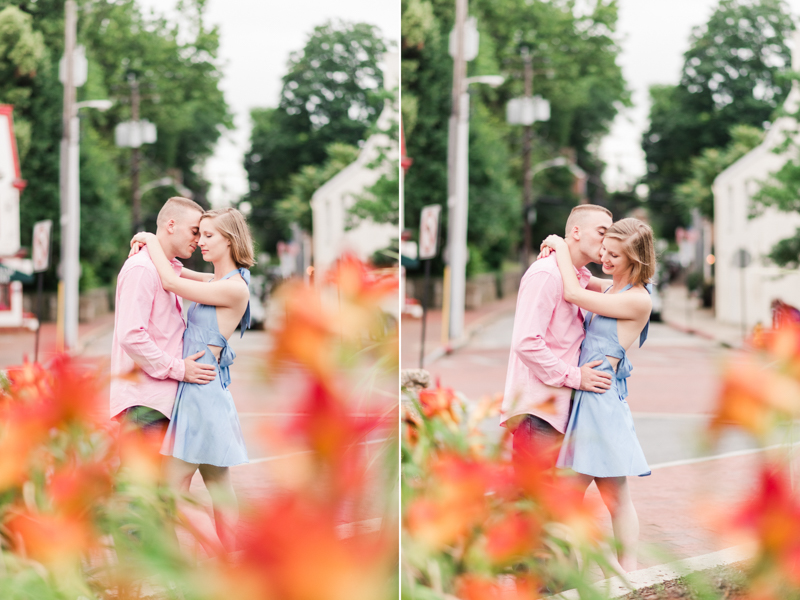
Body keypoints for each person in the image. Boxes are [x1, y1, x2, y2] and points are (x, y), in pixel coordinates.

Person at [131, 207, 255, 552]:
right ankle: (225, 563)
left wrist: (149, 238)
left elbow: (172, 282)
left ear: (229, 240)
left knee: (173, 489)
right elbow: (180, 271)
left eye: (209, 235)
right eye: (199, 233)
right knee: (217, 485)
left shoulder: (234, 289)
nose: (200, 241)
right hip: (200, 390)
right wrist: (157, 245)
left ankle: (189, 565)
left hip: (202, 394)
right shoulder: (220, 282)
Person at [540, 217, 655, 573]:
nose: (605, 259)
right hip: (589, 397)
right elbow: (583, 280)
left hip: (600, 403)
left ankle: (621, 570)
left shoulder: (637, 300)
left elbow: (573, 292)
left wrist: (560, 246)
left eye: (615, 256)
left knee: (599, 498)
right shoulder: (612, 289)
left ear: (635, 260)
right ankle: (623, 571)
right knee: (607, 497)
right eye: (604, 251)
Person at [500, 205, 614, 474]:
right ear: (576, 231)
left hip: (559, 411)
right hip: (538, 412)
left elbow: (625, 290)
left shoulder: (578, 277)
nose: (607, 241)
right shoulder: (546, 274)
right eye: (601, 232)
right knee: (530, 503)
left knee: (548, 504)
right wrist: (576, 377)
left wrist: (560, 247)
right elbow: (526, 342)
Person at [110, 196, 217, 440]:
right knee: (139, 479)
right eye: (194, 231)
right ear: (171, 225)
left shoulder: (167, 270)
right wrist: (180, 369)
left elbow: (205, 281)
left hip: (159, 403)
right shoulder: (142, 269)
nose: (198, 240)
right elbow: (131, 336)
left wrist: (148, 238)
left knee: (158, 479)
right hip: (145, 404)